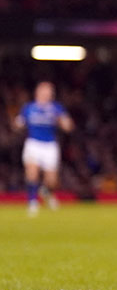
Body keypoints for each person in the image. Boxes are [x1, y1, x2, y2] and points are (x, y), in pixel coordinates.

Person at [13, 81, 73, 216]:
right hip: (33, 143)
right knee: (32, 173)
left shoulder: (56, 108)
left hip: (50, 145)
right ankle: (32, 202)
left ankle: (46, 192)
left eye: (49, 91)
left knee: (52, 181)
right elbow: (19, 122)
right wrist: (17, 124)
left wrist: (63, 122)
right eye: (45, 90)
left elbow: (68, 126)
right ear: (37, 92)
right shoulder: (29, 108)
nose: (47, 93)